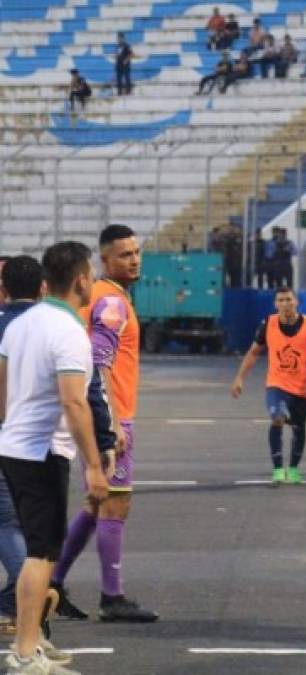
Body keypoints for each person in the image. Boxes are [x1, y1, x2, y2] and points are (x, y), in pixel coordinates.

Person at [0, 242, 109, 674]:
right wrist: (95, 467)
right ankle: (25, 653)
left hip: (15, 445)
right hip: (41, 451)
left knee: (41, 549)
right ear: (81, 280)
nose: (95, 282)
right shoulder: (67, 333)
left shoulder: (20, 324)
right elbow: (74, 403)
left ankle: (34, 641)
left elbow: (1, 390)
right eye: (94, 274)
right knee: (41, 553)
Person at [50, 225, 159, 624]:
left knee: (98, 502)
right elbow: (99, 364)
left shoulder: (102, 297)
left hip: (100, 413)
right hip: (110, 415)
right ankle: (112, 597)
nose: (134, 259)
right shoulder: (111, 302)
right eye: (125, 255)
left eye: (136, 252)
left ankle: (55, 582)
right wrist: (112, 425)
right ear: (104, 261)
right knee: (115, 502)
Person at [230, 288, 306, 485]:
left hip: (302, 387)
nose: (285, 304)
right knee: (277, 418)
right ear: (275, 304)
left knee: (299, 427)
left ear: (296, 302)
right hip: (277, 384)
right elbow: (253, 352)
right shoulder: (268, 324)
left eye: (288, 300)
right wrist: (239, 378)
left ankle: (293, 468)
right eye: (281, 300)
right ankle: (277, 468)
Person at [0, 258, 41, 633]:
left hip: (7, 433)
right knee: (24, 521)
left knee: (7, 522)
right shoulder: (48, 326)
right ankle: (23, 595)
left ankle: (25, 591)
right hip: (37, 438)